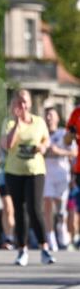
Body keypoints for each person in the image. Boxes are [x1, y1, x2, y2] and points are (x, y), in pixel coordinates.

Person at [0, 89, 54, 266]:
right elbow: (7, 145)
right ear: (14, 104)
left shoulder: (39, 122)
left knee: (34, 208)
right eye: (18, 102)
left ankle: (44, 247)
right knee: (19, 210)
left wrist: (43, 147)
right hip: (14, 172)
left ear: (30, 103)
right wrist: (17, 124)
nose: (22, 105)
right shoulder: (8, 122)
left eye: (25, 102)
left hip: (35, 171)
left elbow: (47, 140)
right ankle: (22, 249)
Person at [43, 107, 75, 250]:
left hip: (61, 175)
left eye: (51, 115)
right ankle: (50, 238)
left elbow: (73, 152)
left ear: (57, 118)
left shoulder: (64, 134)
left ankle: (60, 225)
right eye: (47, 115)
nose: (48, 118)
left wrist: (58, 151)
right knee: (47, 204)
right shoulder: (41, 134)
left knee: (60, 208)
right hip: (46, 173)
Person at [64, 102, 80, 246]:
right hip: (78, 168)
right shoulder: (76, 113)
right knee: (76, 206)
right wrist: (72, 134)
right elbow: (67, 140)